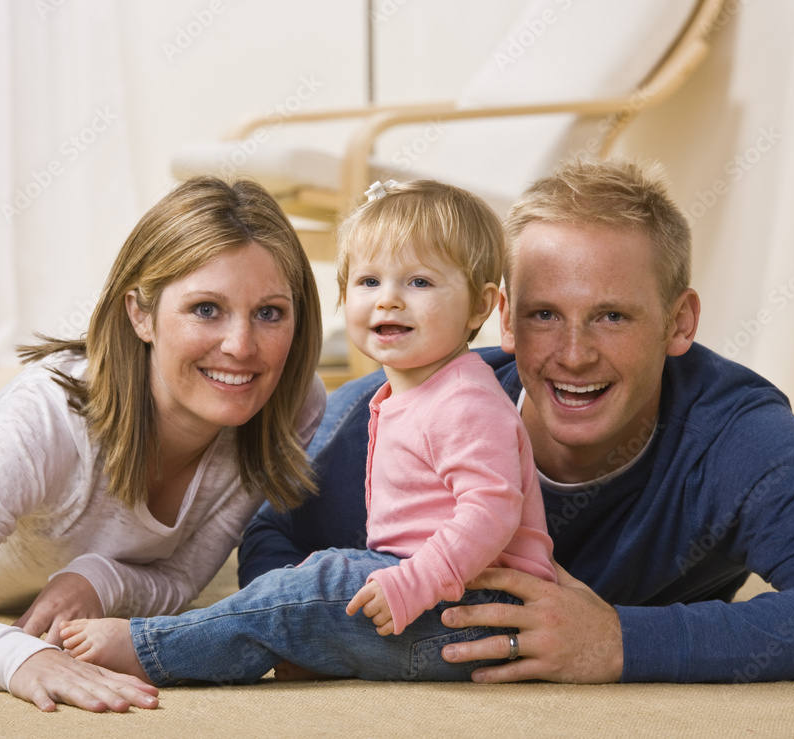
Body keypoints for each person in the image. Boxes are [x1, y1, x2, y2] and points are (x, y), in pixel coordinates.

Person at [238, 158, 794, 684]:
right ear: (505, 320)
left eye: (612, 316)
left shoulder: (734, 434)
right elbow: (273, 531)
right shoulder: (393, 414)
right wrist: (297, 636)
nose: (574, 354)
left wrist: (621, 640)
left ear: (679, 323)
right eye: (544, 314)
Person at [0, 176, 327, 711]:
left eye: (269, 313)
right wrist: (17, 658)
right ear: (140, 313)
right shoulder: (46, 415)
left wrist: (96, 578)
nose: (241, 347)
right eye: (206, 309)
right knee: (20, 425)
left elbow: (183, 577)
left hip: (29, 428)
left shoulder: (290, 402)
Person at [59, 179, 556, 685]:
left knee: (323, 583)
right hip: (436, 599)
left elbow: (491, 508)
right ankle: (308, 642)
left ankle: (153, 649)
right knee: (315, 579)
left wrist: (413, 581)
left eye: (420, 283)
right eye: (368, 282)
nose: (389, 301)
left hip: (479, 610)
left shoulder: (466, 400)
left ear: (480, 306)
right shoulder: (406, 394)